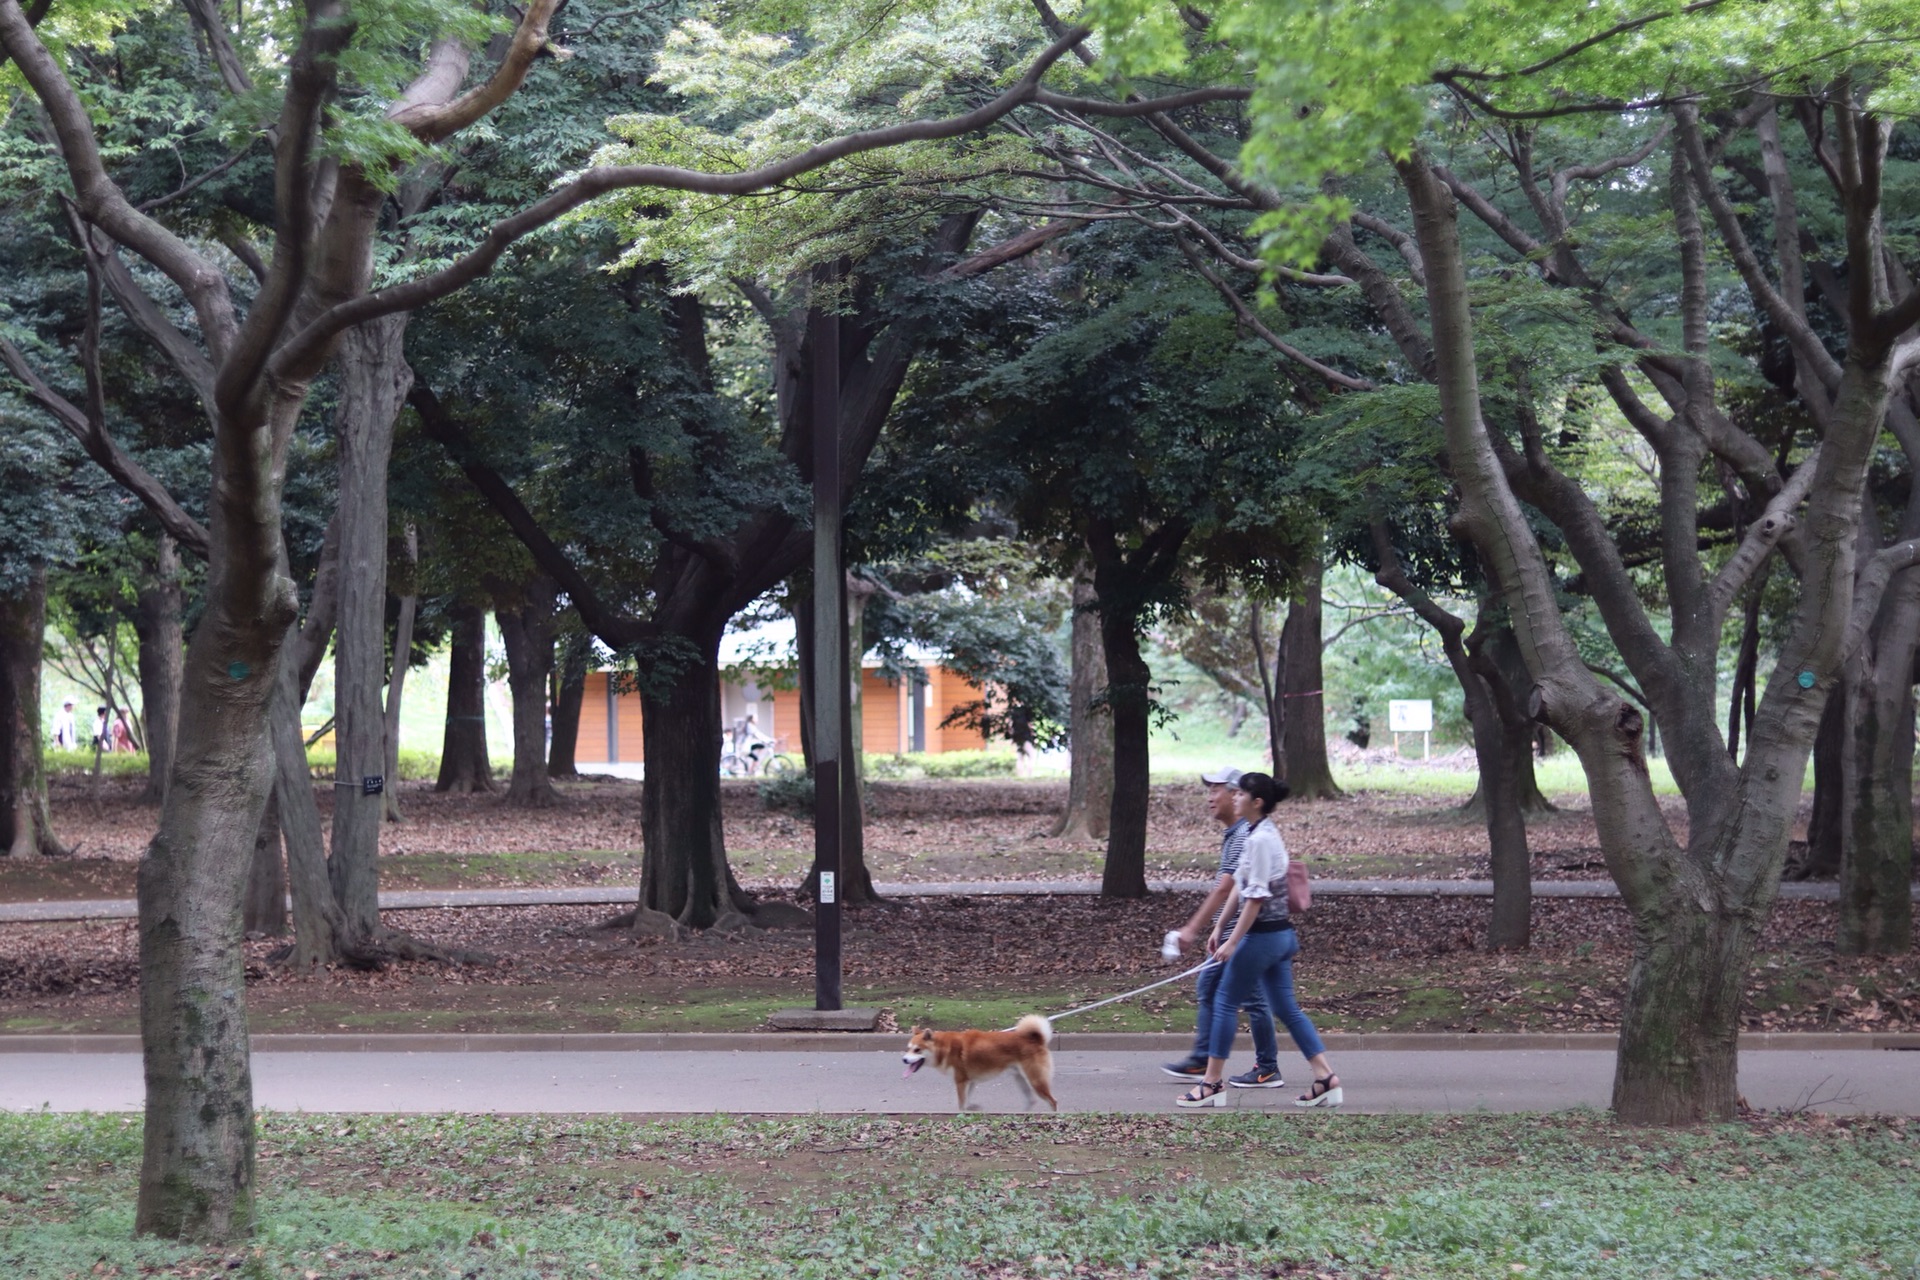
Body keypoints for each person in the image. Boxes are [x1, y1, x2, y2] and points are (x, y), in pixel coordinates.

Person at [1174, 771, 1341, 1109]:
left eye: (1240, 794)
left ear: (1257, 802)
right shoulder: (1254, 834)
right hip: (1276, 938)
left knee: (1223, 1002)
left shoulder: (1262, 839)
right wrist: (1219, 927)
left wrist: (1233, 942)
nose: (1233, 797)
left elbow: (1256, 898)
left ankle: (1211, 1083)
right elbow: (1238, 881)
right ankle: (1325, 1078)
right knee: (1286, 1009)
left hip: (1266, 938)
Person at [1161, 766, 1284, 1088]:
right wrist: (1217, 930)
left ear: (1237, 796)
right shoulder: (1237, 834)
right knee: (1215, 989)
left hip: (1250, 935)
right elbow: (1232, 889)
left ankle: (1263, 1067)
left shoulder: (1247, 835)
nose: (1210, 797)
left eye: (1217, 790)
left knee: (1254, 999)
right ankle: (1206, 1061)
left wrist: (1194, 930)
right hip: (1237, 934)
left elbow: (1229, 889)